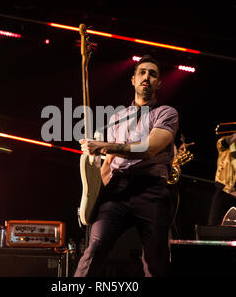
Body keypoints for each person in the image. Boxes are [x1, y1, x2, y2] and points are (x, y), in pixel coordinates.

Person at [74, 55, 178, 277]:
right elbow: (108, 166)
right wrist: (92, 199)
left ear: (159, 83)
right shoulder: (117, 118)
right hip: (117, 189)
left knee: (155, 260)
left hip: (151, 190)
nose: (146, 77)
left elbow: (149, 149)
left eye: (152, 74)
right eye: (142, 72)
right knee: (95, 248)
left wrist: (104, 146)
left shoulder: (166, 113)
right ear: (132, 80)